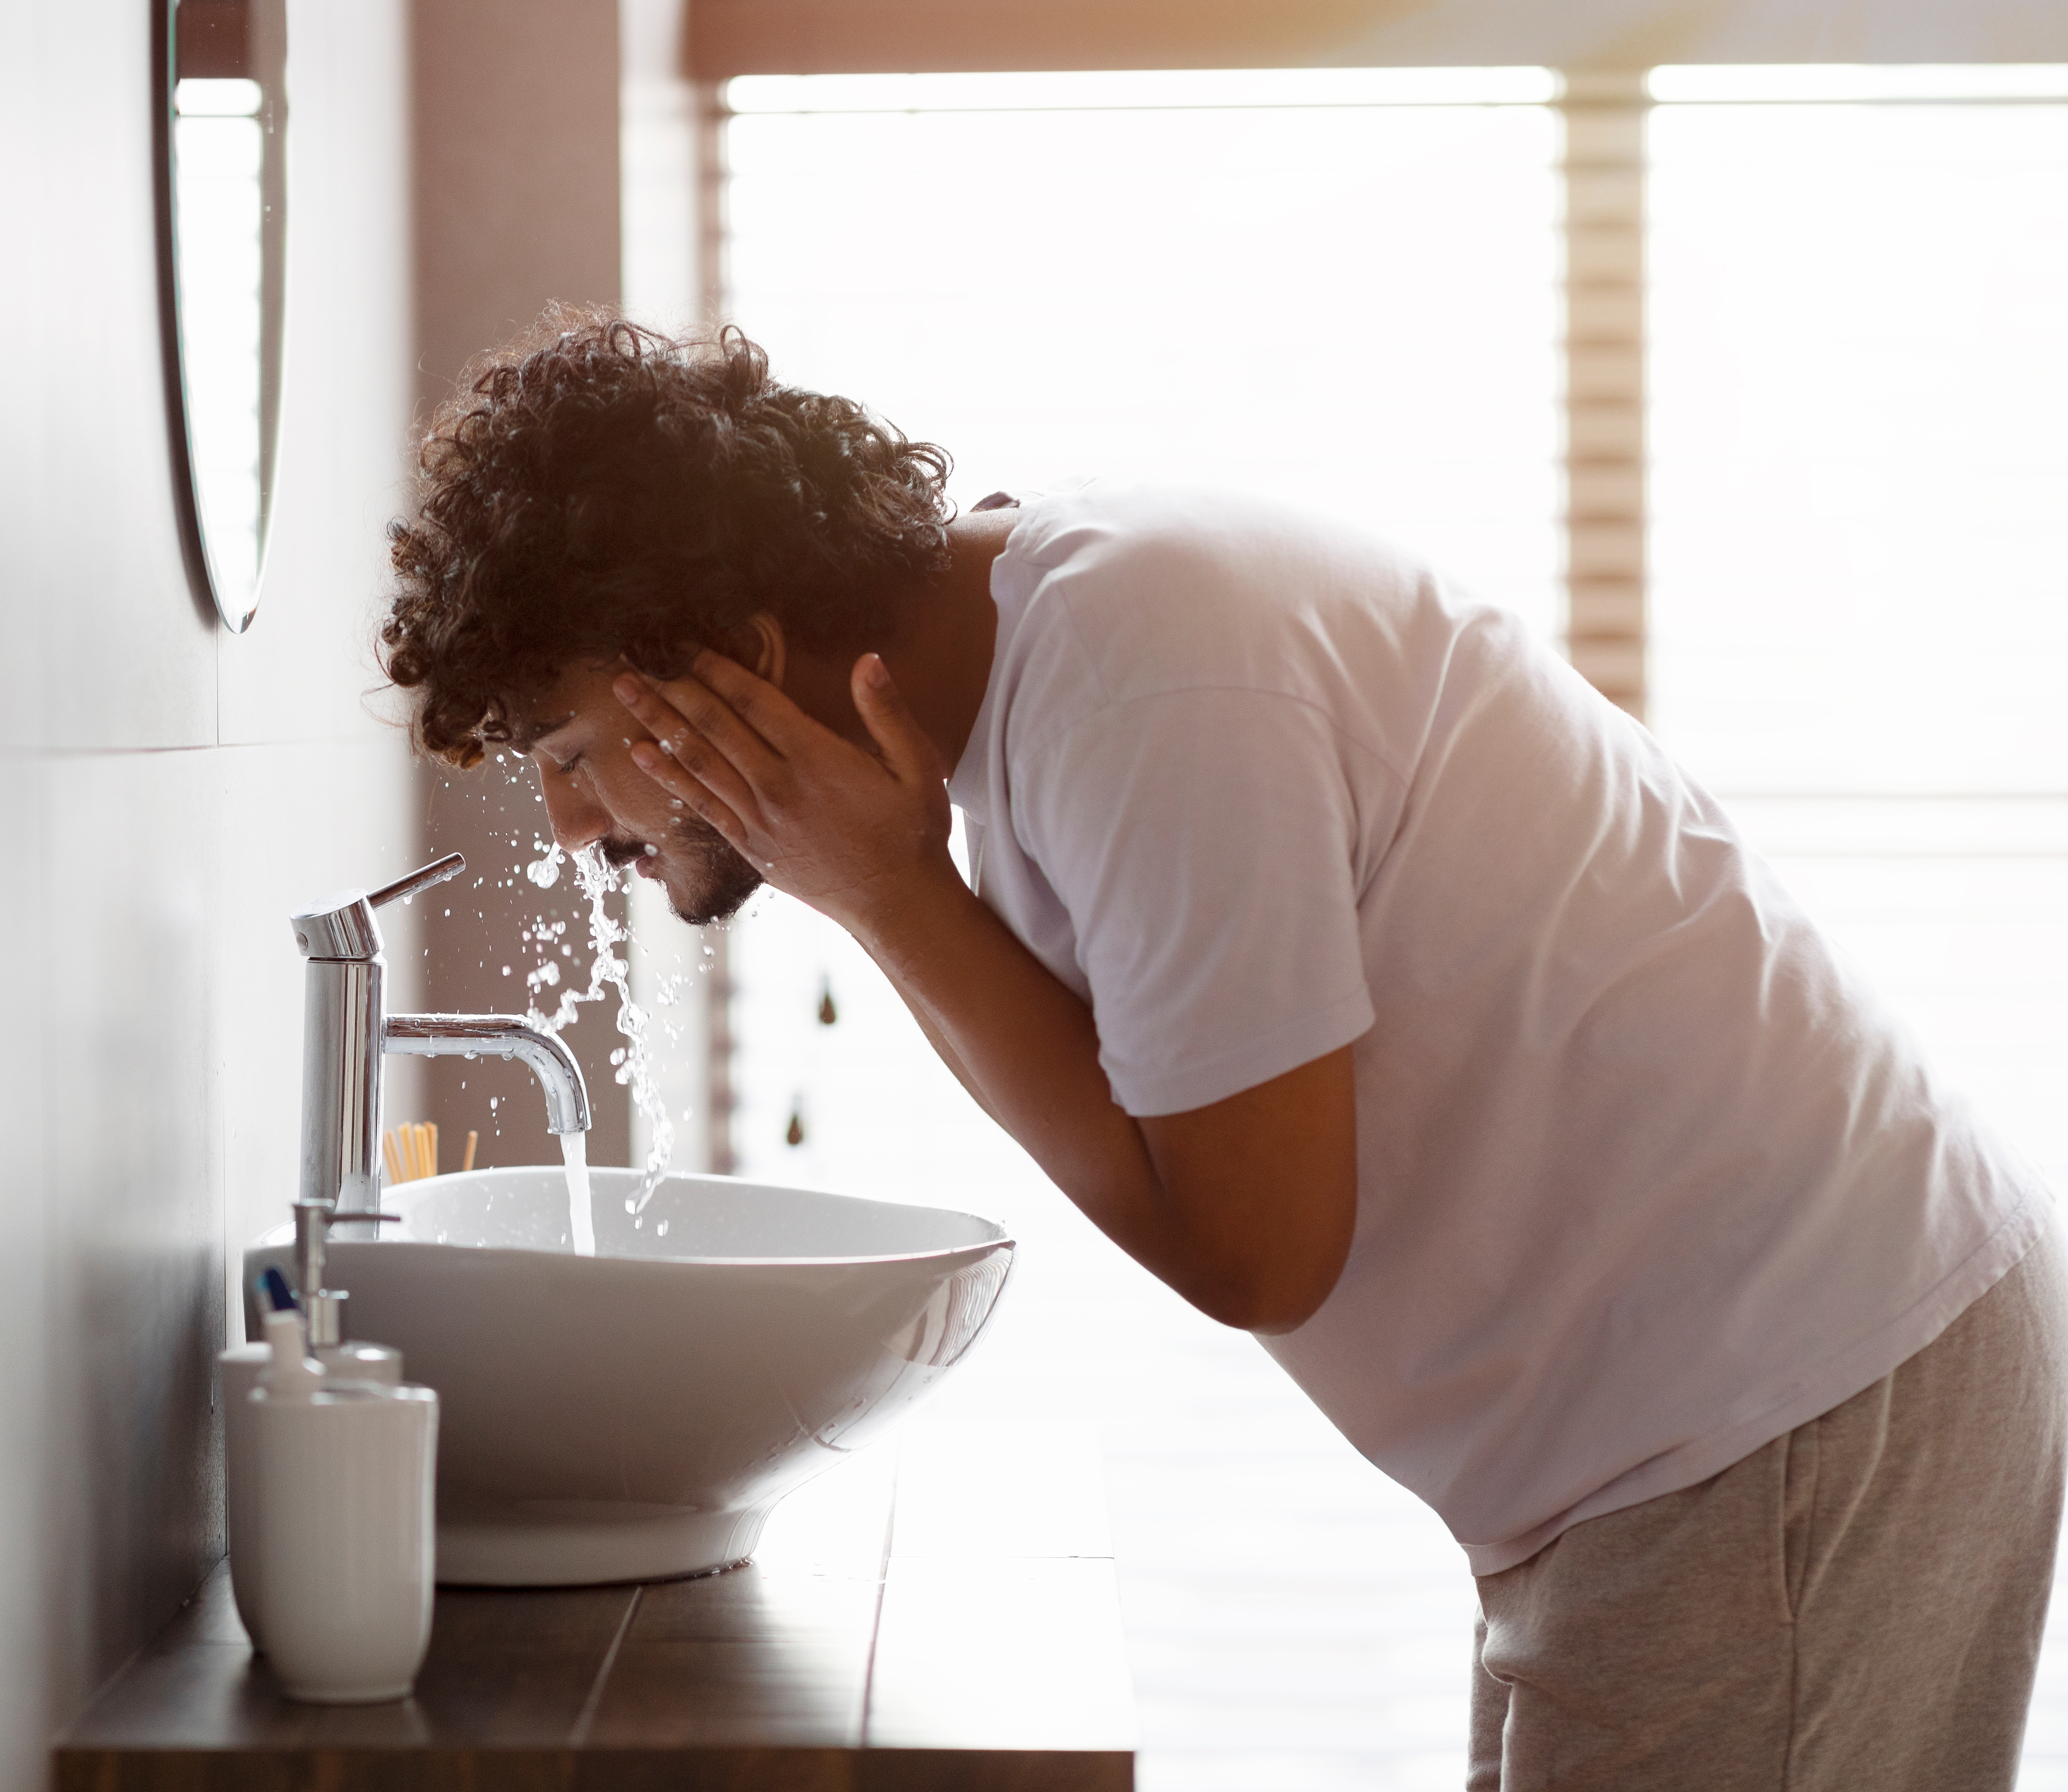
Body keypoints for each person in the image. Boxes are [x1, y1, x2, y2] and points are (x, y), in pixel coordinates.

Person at [378, 312, 2064, 1788]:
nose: (570, 813)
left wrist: (892, 897)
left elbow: (1259, 1246)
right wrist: (898, 881)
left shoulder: (1136, 679)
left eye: (576, 742)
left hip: (1786, 1403)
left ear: (733, 659)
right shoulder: (1054, 676)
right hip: (1695, 1441)